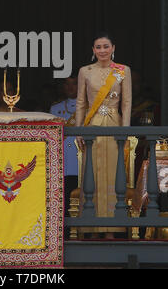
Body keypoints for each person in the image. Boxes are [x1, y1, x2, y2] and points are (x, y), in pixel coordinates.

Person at [75, 32, 132, 239]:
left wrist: (125, 130)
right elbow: (81, 103)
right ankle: (90, 228)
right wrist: (80, 129)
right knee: (92, 174)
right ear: (93, 50)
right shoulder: (85, 71)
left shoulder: (123, 71)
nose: (102, 50)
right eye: (98, 47)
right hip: (92, 126)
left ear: (113, 48)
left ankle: (112, 229)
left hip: (114, 126)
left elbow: (126, 103)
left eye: (105, 46)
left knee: (113, 174)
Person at [50, 75, 79, 238]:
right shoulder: (56, 108)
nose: (70, 87)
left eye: (74, 84)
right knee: (64, 200)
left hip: (80, 160)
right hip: (63, 162)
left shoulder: (89, 108)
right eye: (66, 84)